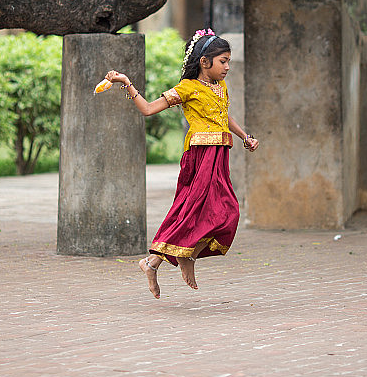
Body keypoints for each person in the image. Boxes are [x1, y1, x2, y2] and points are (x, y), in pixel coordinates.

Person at [104, 29, 259, 299]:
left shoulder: (220, 87)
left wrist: (245, 136)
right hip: (199, 156)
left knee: (227, 212)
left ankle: (154, 263)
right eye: (223, 61)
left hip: (220, 155)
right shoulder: (187, 89)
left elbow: (225, 116)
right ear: (204, 62)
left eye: (228, 61)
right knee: (192, 211)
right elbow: (148, 109)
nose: (227, 67)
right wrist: (127, 82)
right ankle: (183, 257)